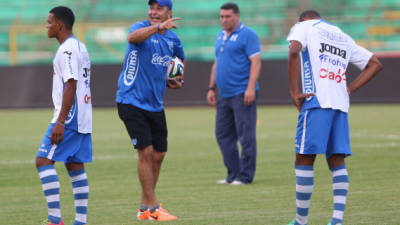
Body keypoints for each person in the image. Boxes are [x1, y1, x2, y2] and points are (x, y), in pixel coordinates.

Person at [286, 10, 382, 225]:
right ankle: (337, 220)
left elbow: (294, 51)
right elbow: (375, 63)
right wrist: (350, 88)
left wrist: (294, 92)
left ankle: (301, 221)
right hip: (340, 103)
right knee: (336, 161)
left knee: (303, 158)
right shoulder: (341, 35)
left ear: (302, 21)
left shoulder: (304, 27)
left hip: (316, 100)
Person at [116, 0, 184, 221]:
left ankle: (144, 206)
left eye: (159, 9)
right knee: (145, 152)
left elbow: (179, 61)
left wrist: (176, 78)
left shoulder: (174, 39)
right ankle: (153, 208)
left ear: (169, 12)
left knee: (159, 154)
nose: (153, 12)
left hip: (155, 104)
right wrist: (158, 27)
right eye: (152, 8)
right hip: (131, 100)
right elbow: (131, 39)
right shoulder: (140, 28)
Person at [36, 6, 92, 225]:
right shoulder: (80, 46)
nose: (47, 26)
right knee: (74, 165)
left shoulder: (67, 50)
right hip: (83, 117)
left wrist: (60, 121)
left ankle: (54, 220)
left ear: (59, 25)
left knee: (42, 160)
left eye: (49, 22)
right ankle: (80, 221)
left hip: (70, 117)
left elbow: (71, 84)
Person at [206, 2, 261, 185]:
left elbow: (256, 62)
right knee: (222, 135)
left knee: (246, 136)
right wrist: (211, 88)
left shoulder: (248, 34)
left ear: (237, 16)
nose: (224, 20)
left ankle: (245, 176)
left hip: (241, 93)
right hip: (223, 94)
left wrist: (250, 88)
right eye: (221, 16)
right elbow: (217, 63)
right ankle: (233, 174)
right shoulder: (220, 35)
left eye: (227, 16)